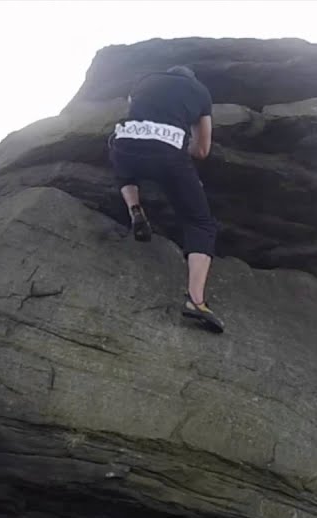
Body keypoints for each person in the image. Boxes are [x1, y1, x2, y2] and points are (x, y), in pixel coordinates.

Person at [108, 65, 224, 333]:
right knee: (200, 223)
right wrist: (181, 144)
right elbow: (202, 150)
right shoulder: (200, 92)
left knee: (120, 154)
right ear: (191, 78)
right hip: (168, 154)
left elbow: (134, 108)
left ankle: (135, 208)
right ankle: (196, 301)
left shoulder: (144, 80)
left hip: (126, 143)